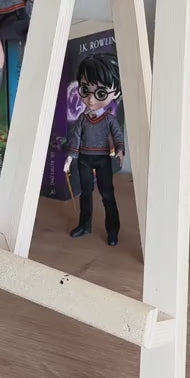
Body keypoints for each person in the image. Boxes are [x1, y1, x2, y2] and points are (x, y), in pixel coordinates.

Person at [64, 53, 124, 246]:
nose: (90, 100)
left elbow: (117, 135)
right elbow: (76, 137)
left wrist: (120, 150)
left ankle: (112, 231)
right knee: (86, 192)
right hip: (84, 159)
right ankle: (84, 225)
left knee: (107, 195)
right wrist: (71, 157)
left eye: (100, 94)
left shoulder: (109, 119)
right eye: (85, 90)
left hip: (102, 160)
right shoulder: (82, 119)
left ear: (116, 93)